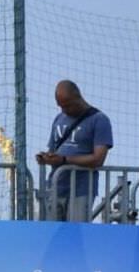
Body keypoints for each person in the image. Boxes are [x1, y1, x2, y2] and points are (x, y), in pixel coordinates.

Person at [34, 81, 111, 223]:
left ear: (78, 97)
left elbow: (98, 159)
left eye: (67, 105)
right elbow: (54, 150)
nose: (64, 110)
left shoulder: (99, 120)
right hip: (56, 186)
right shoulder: (58, 119)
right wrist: (47, 158)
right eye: (60, 106)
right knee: (53, 235)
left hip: (81, 190)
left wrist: (64, 160)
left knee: (75, 234)